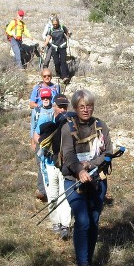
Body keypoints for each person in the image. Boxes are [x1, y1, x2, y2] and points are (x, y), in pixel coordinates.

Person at [60, 88, 112, 266]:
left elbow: (108, 152)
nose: (86, 110)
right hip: (73, 181)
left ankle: (88, 261)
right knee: (83, 221)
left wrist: (92, 164)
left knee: (95, 220)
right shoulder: (68, 128)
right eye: (82, 106)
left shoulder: (100, 125)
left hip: (98, 180)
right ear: (75, 107)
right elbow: (68, 154)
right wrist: (80, 170)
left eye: (89, 106)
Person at [36, 93, 73, 239]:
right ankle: (55, 223)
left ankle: (65, 225)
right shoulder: (46, 120)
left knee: (64, 196)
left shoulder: (70, 122)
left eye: (65, 107)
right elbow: (39, 139)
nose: (63, 110)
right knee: (52, 196)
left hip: (64, 166)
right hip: (50, 165)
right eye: (60, 107)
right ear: (54, 106)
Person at [30, 87, 56, 201]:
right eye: (43, 97)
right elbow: (33, 127)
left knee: (52, 165)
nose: (46, 99)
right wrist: (32, 142)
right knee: (41, 165)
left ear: (51, 98)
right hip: (39, 143)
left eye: (47, 97)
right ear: (41, 98)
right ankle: (42, 191)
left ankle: (52, 189)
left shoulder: (55, 110)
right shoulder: (37, 111)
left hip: (52, 143)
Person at [42, 15, 72, 82]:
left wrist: (69, 34)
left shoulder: (62, 27)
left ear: (58, 23)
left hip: (62, 46)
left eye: (56, 24)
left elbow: (67, 34)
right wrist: (44, 45)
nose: (55, 25)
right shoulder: (51, 29)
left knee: (63, 62)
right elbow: (48, 38)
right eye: (53, 24)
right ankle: (58, 73)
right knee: (56, 62)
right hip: (54, 47)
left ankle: (64, 77)